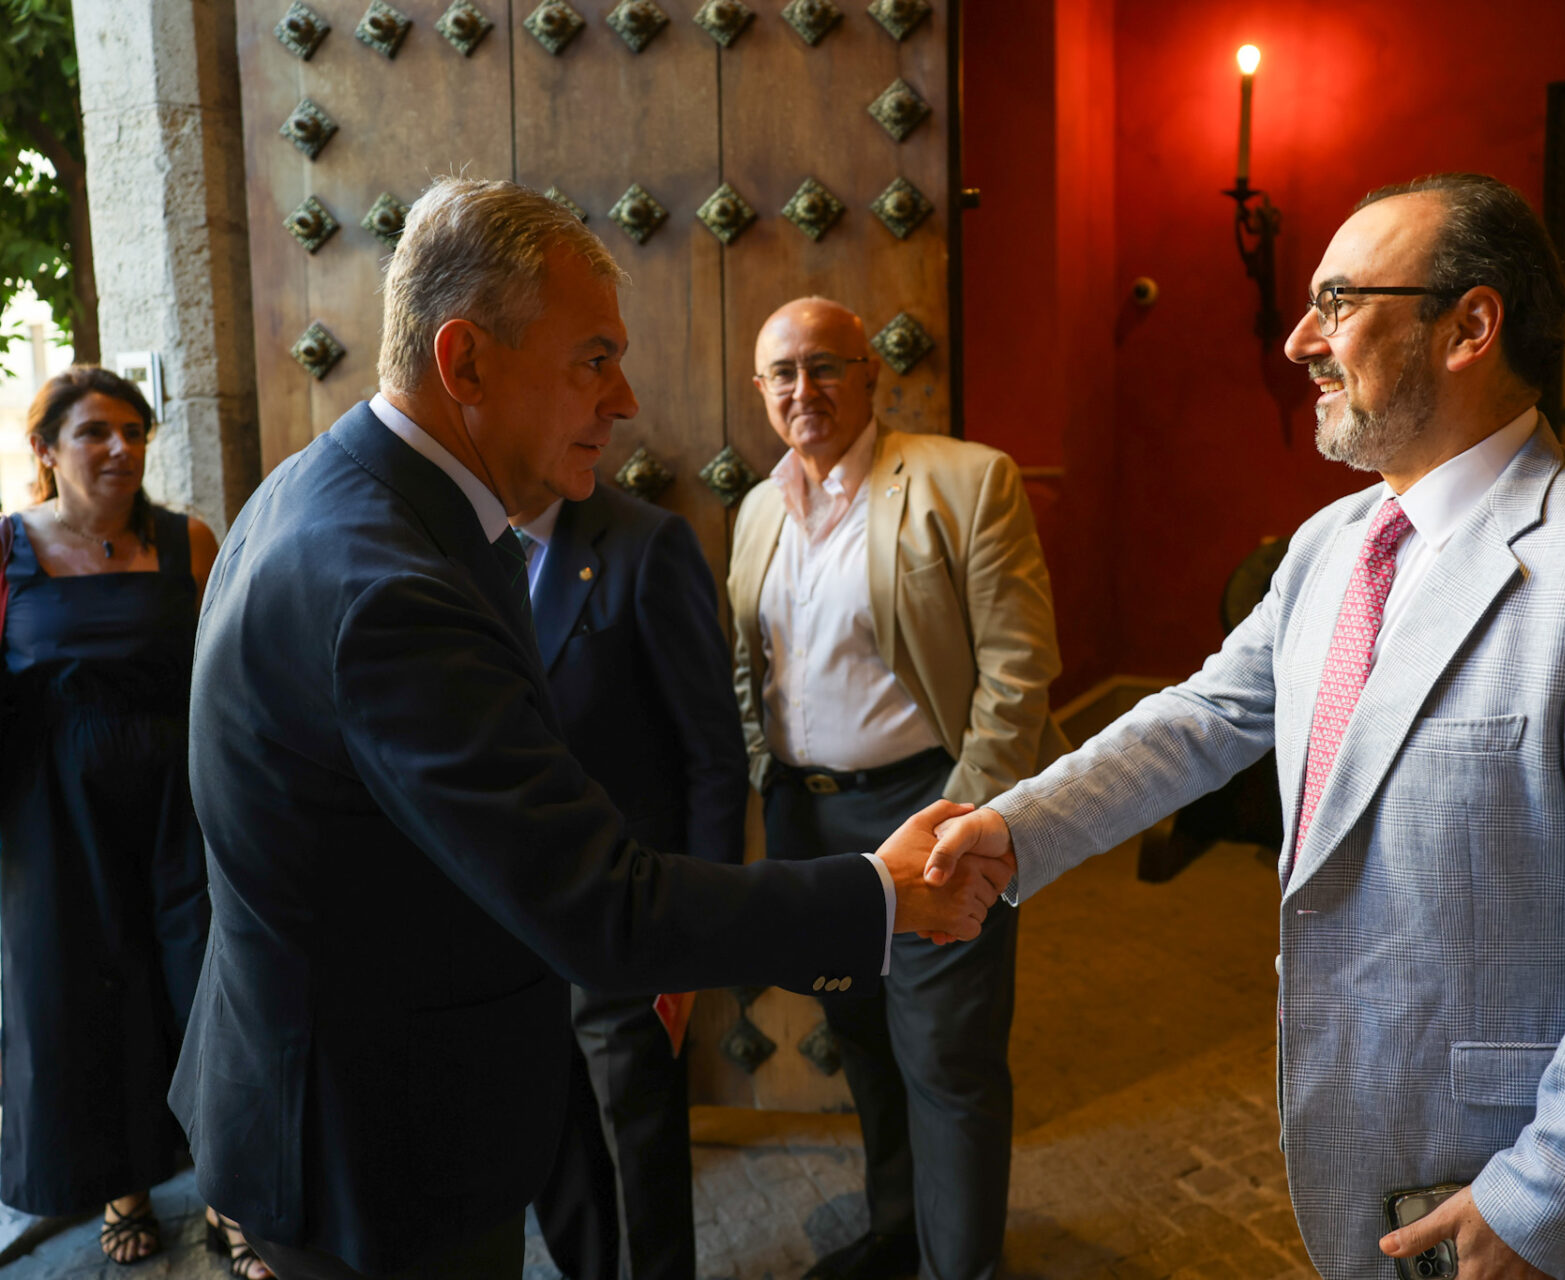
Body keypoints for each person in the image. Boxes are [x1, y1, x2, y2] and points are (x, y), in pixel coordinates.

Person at [925, 174, 1565, 1280]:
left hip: (1510, 1174)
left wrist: (1546, 1193)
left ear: (1471, 324)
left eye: (1336, 302)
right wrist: (1015, 826)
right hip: (1364, 1138)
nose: (1297, 342)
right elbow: (1206, 714)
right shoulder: (1335, 539)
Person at [173, 178, 1008, 1280]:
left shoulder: (321, 491)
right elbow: (602, 903)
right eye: (593, 359)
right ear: (465, 361)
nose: (623, 399)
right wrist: (884, 890)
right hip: (369, 1143)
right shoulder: (386, 582)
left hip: (351, 1093)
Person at [729, 297, 1066, 1280]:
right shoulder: (756, 509)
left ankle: (959, 1265)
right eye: (782, 373)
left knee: (948, 1058)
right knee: (864, 1043)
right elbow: (754, 670)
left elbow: (1018, 669)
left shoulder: (966, 479)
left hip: (928, 805)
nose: (804, 390)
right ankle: (894, 1235)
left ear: (871, 372)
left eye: (825, 365)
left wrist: (963, 820)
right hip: (813, 820)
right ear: (761, 391)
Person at [0, 367, 273, 1277]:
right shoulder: (7, 554)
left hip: (180, 807)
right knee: (86, 997)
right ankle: (123, 1185)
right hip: (56, 822)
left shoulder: (187, 540)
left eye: (135, 430)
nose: (122, 448)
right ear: (46, 449)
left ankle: (233, 1192)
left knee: (209, 992)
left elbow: (229, 671)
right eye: (95, 432)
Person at [519, 480, 749, 1280]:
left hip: (626, 914)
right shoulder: (453, 543)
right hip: (506, 919)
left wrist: (696, 930)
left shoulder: (646, 544)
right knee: (546, 1135)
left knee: (641, 1145)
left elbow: (714, 755)